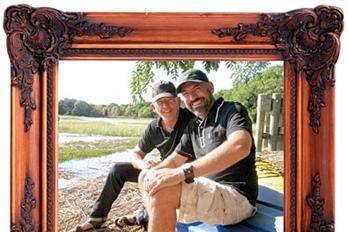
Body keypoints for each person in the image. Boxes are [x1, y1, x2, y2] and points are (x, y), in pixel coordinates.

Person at [139, 69, 258, 232]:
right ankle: (157, 217)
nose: (192, 97)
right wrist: (152, 173)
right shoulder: (194, 126)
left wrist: (183, 172)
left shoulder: (231, 110)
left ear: (210, 87)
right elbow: (174, 160)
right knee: (146, 176)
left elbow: (240, 146)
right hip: (208, 191)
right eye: (185, 94)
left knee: (164, 191)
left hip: (236, 197)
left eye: (196, 89)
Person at [75, 81, 194, 231]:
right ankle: (97, 218)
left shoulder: (191, 120)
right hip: (158, 171)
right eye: (160, 102)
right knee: (117, 170)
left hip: (185, 173)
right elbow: (136, 154)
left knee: (157, 187)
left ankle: (141, 216)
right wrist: (145, 165)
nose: (166, 106)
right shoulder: (154, 127)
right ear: (153, 107)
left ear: (178, 101)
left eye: (170, 100)